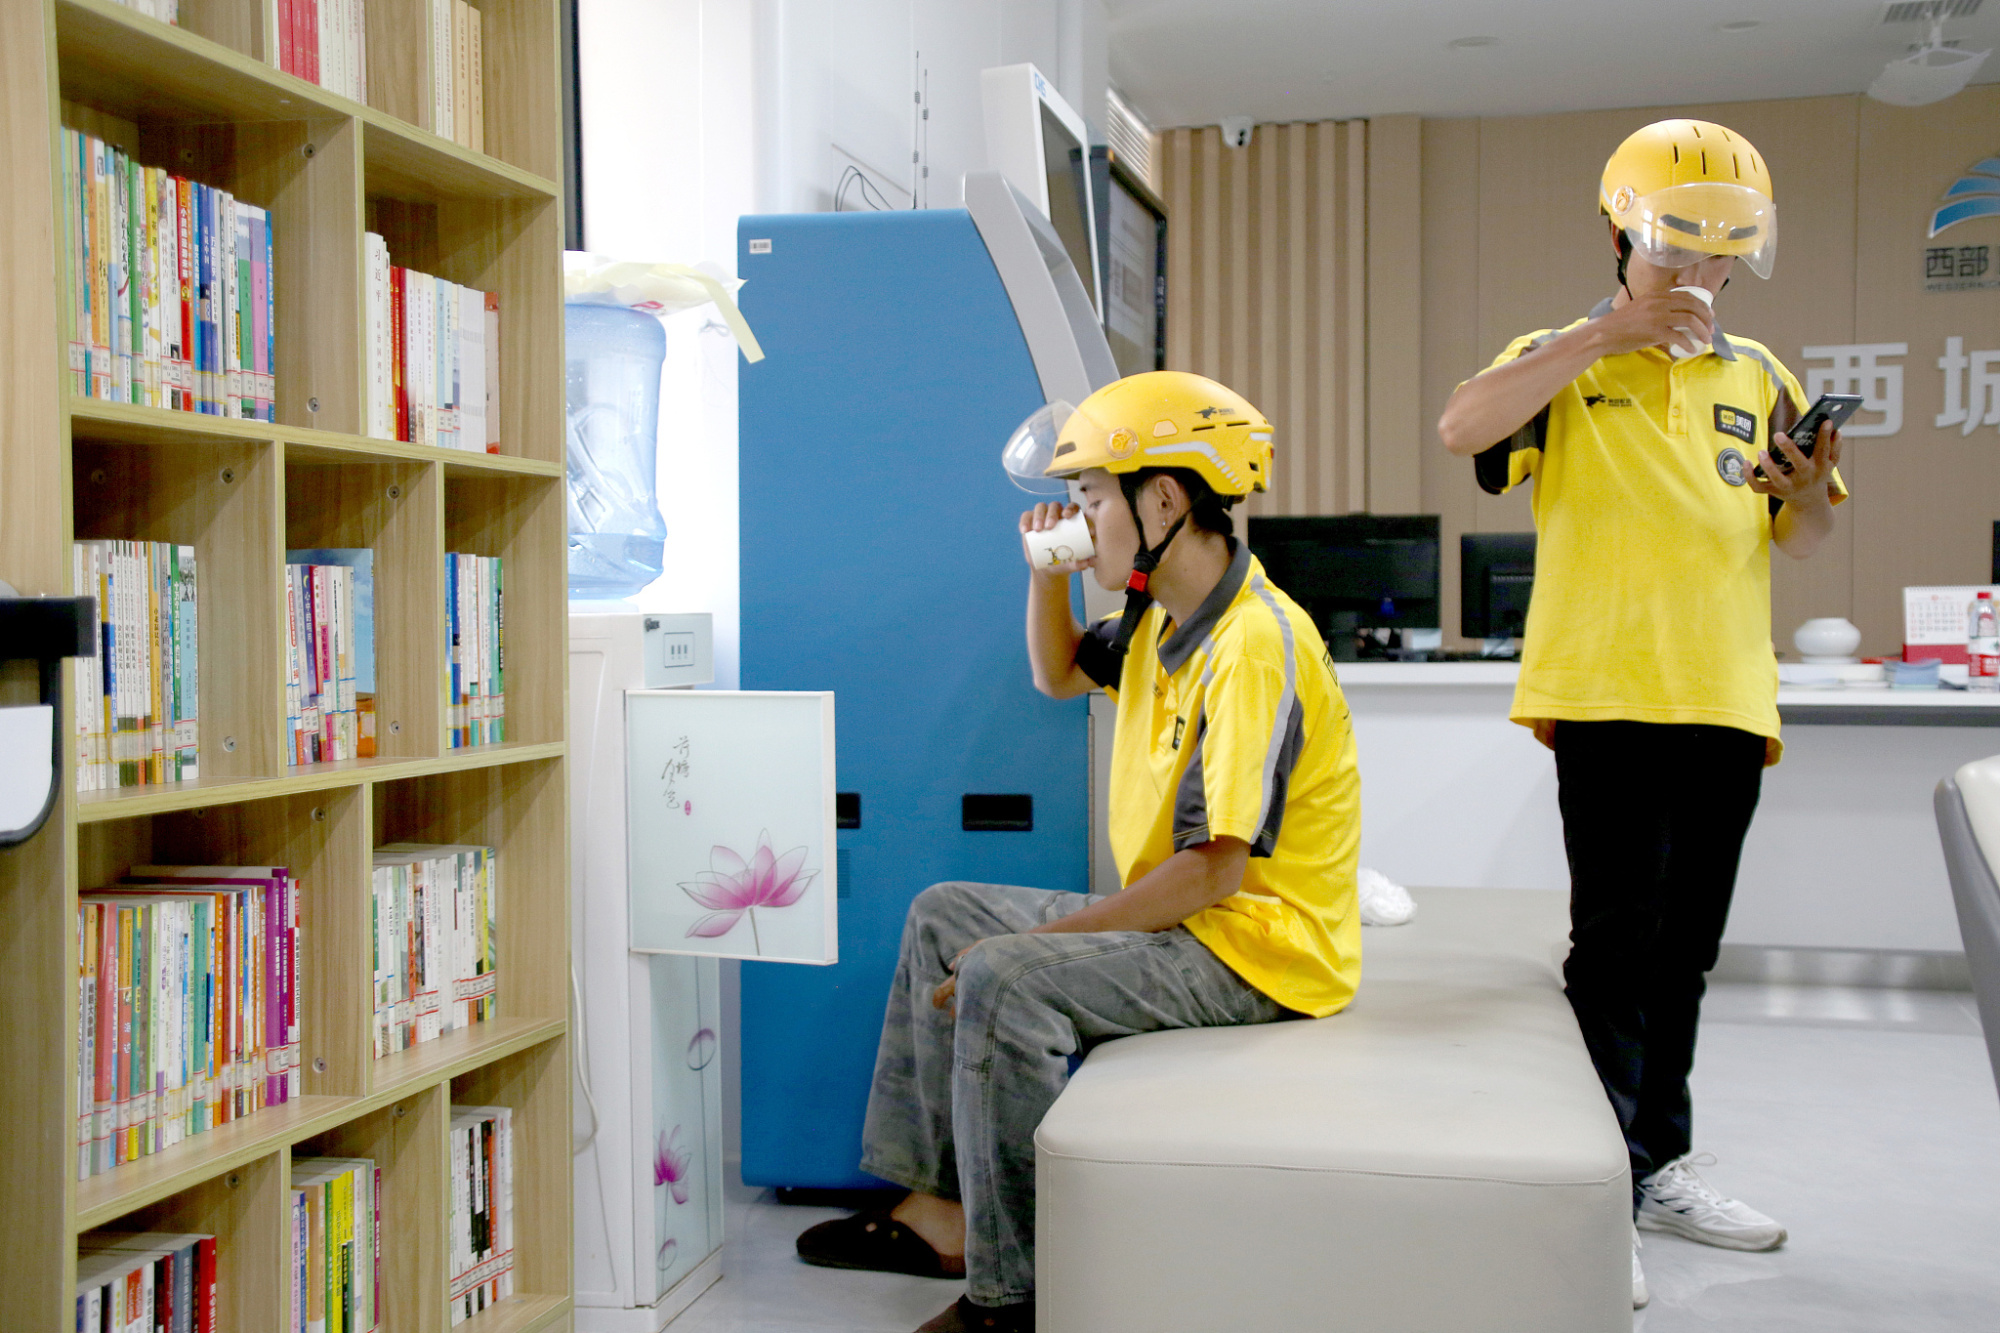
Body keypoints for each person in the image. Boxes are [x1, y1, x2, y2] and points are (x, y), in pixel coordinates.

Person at [794, 371, 1364, 1333]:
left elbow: (1216, 867)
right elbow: (1056, 673)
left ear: (1165, 500)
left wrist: (1039, 947)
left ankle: (1011, 1299)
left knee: (1006, 977)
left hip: (1256, 948)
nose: (1080, 518)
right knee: (944, 914)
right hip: (1197, 920)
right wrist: (1044, 574)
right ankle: (943, 1213)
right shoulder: (1160, 614)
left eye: (1094, 496)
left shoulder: (1254, 644)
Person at [1436, 118, 1847, 1309]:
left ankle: (1657, 1162)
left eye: (1720, 252)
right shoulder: (1558, 356)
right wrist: (1602, 335)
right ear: (1620, 236)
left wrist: (1806, 491)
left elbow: (1804, 534)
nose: (1697, 273)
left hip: (1725, 696)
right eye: (1677, 246)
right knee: (1613, 949)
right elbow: (1461, 428)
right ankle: (1593, 1190)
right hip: (1604, 691)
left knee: (1685, 954)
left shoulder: (1757, 373)